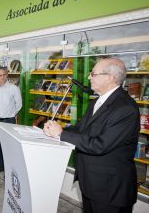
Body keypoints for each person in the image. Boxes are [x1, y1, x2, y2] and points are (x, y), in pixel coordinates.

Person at [44, 58, 139, 213]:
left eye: (93, 74)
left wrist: (61, 134)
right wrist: (58, 129)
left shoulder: (125, 108)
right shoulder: (97, 101)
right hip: (91, 183)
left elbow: (100, 145)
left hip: (110, 190)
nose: (89, 77)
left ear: (110, 78)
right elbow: (82, 129)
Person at [0, 67, 22, 174]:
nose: (2, 77)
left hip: (8, 121)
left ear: (7, 74)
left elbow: (19, 105)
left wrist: (11, 113)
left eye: (4, 74)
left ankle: (9, 169)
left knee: (8, 146)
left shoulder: (14, 88)